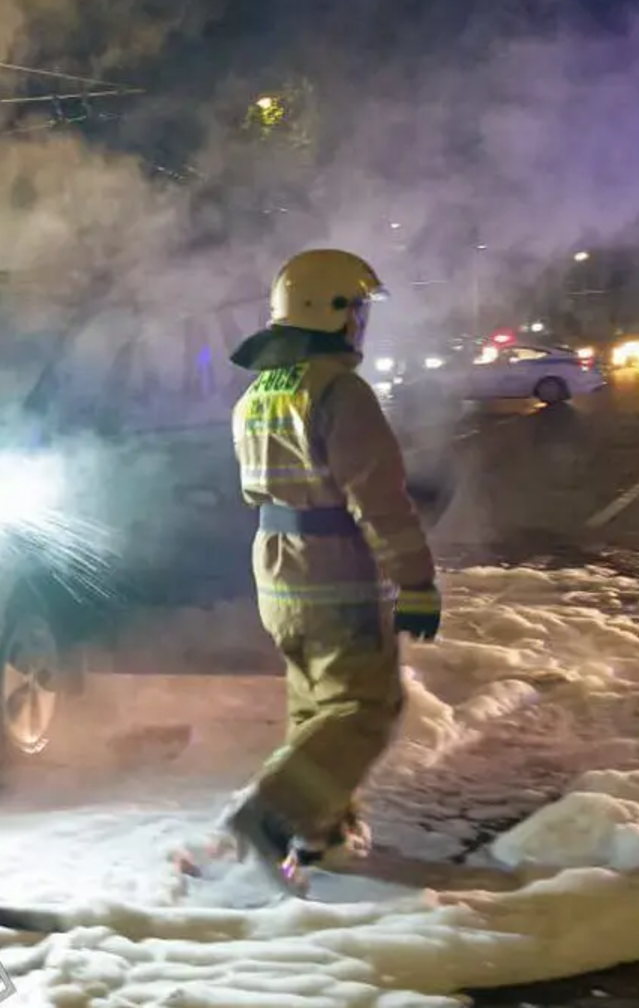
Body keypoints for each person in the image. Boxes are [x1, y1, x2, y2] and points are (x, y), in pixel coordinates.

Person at [218, 249, 442, 895]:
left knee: (318, 706)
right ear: (333, 312)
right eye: (359, 310)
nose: (362, 323)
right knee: (366, 707)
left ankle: (321, 835)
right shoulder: (340, 392)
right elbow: (378, 498)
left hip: (276, 568)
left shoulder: (259, 392)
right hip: (334, 567)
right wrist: (416, 581)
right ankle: (271, 813)